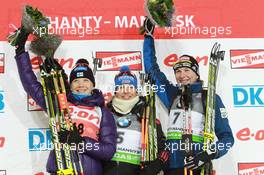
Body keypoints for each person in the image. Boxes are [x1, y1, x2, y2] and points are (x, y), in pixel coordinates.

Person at [13, 27, 117, 175]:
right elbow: (31, 85)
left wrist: (82, 143)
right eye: (76, 81)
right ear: (71, 84)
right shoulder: (59, 104)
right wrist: (20, 51)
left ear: (93, 84)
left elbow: (108, 151)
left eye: (86, 80)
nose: (81, 85)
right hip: (61, 169)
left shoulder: (102, 112)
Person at [142, 18, 234, 175]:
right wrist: (148, 38)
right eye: (178, 71)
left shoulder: (209, 98)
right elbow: (152, 71)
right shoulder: (172, 95)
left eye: (187, 70)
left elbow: (227, 139)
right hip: (172, 167)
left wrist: (208, 154)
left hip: (197, 165)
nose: (182, 75)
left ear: (196, 73)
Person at [103, 65, 169, 175]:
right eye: (121, 87)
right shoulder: (105, 113)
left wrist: (151, 169)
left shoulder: (147, 113)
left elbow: (164, 148)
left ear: (136, 90)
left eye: (130, 87)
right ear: (115, 90)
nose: (126, 92)